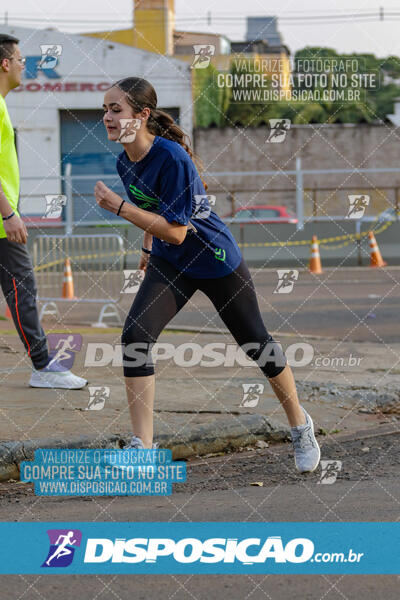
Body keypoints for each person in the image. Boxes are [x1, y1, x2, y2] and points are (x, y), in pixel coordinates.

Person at [95, 77, 320, 473]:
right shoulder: (124, 160)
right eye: (105, 110)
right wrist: (147, 248)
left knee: (257, 344)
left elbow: (179, 229)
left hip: (213, 259)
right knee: (135, 337)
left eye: (116, 109)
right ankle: (143, 447)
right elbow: (155, 211)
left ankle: (300, 425)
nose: (107, 117)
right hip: (171, 262)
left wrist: (119, 209)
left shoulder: (173, 159)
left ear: (142, 115)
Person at [0, 33, 87, 389]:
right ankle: (44, 367)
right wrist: (9, 214)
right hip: (1, 221)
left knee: (22, 288)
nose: (24, 65)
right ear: (4, 63)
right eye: (20, 59)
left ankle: (44, 365)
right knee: (22, 289)